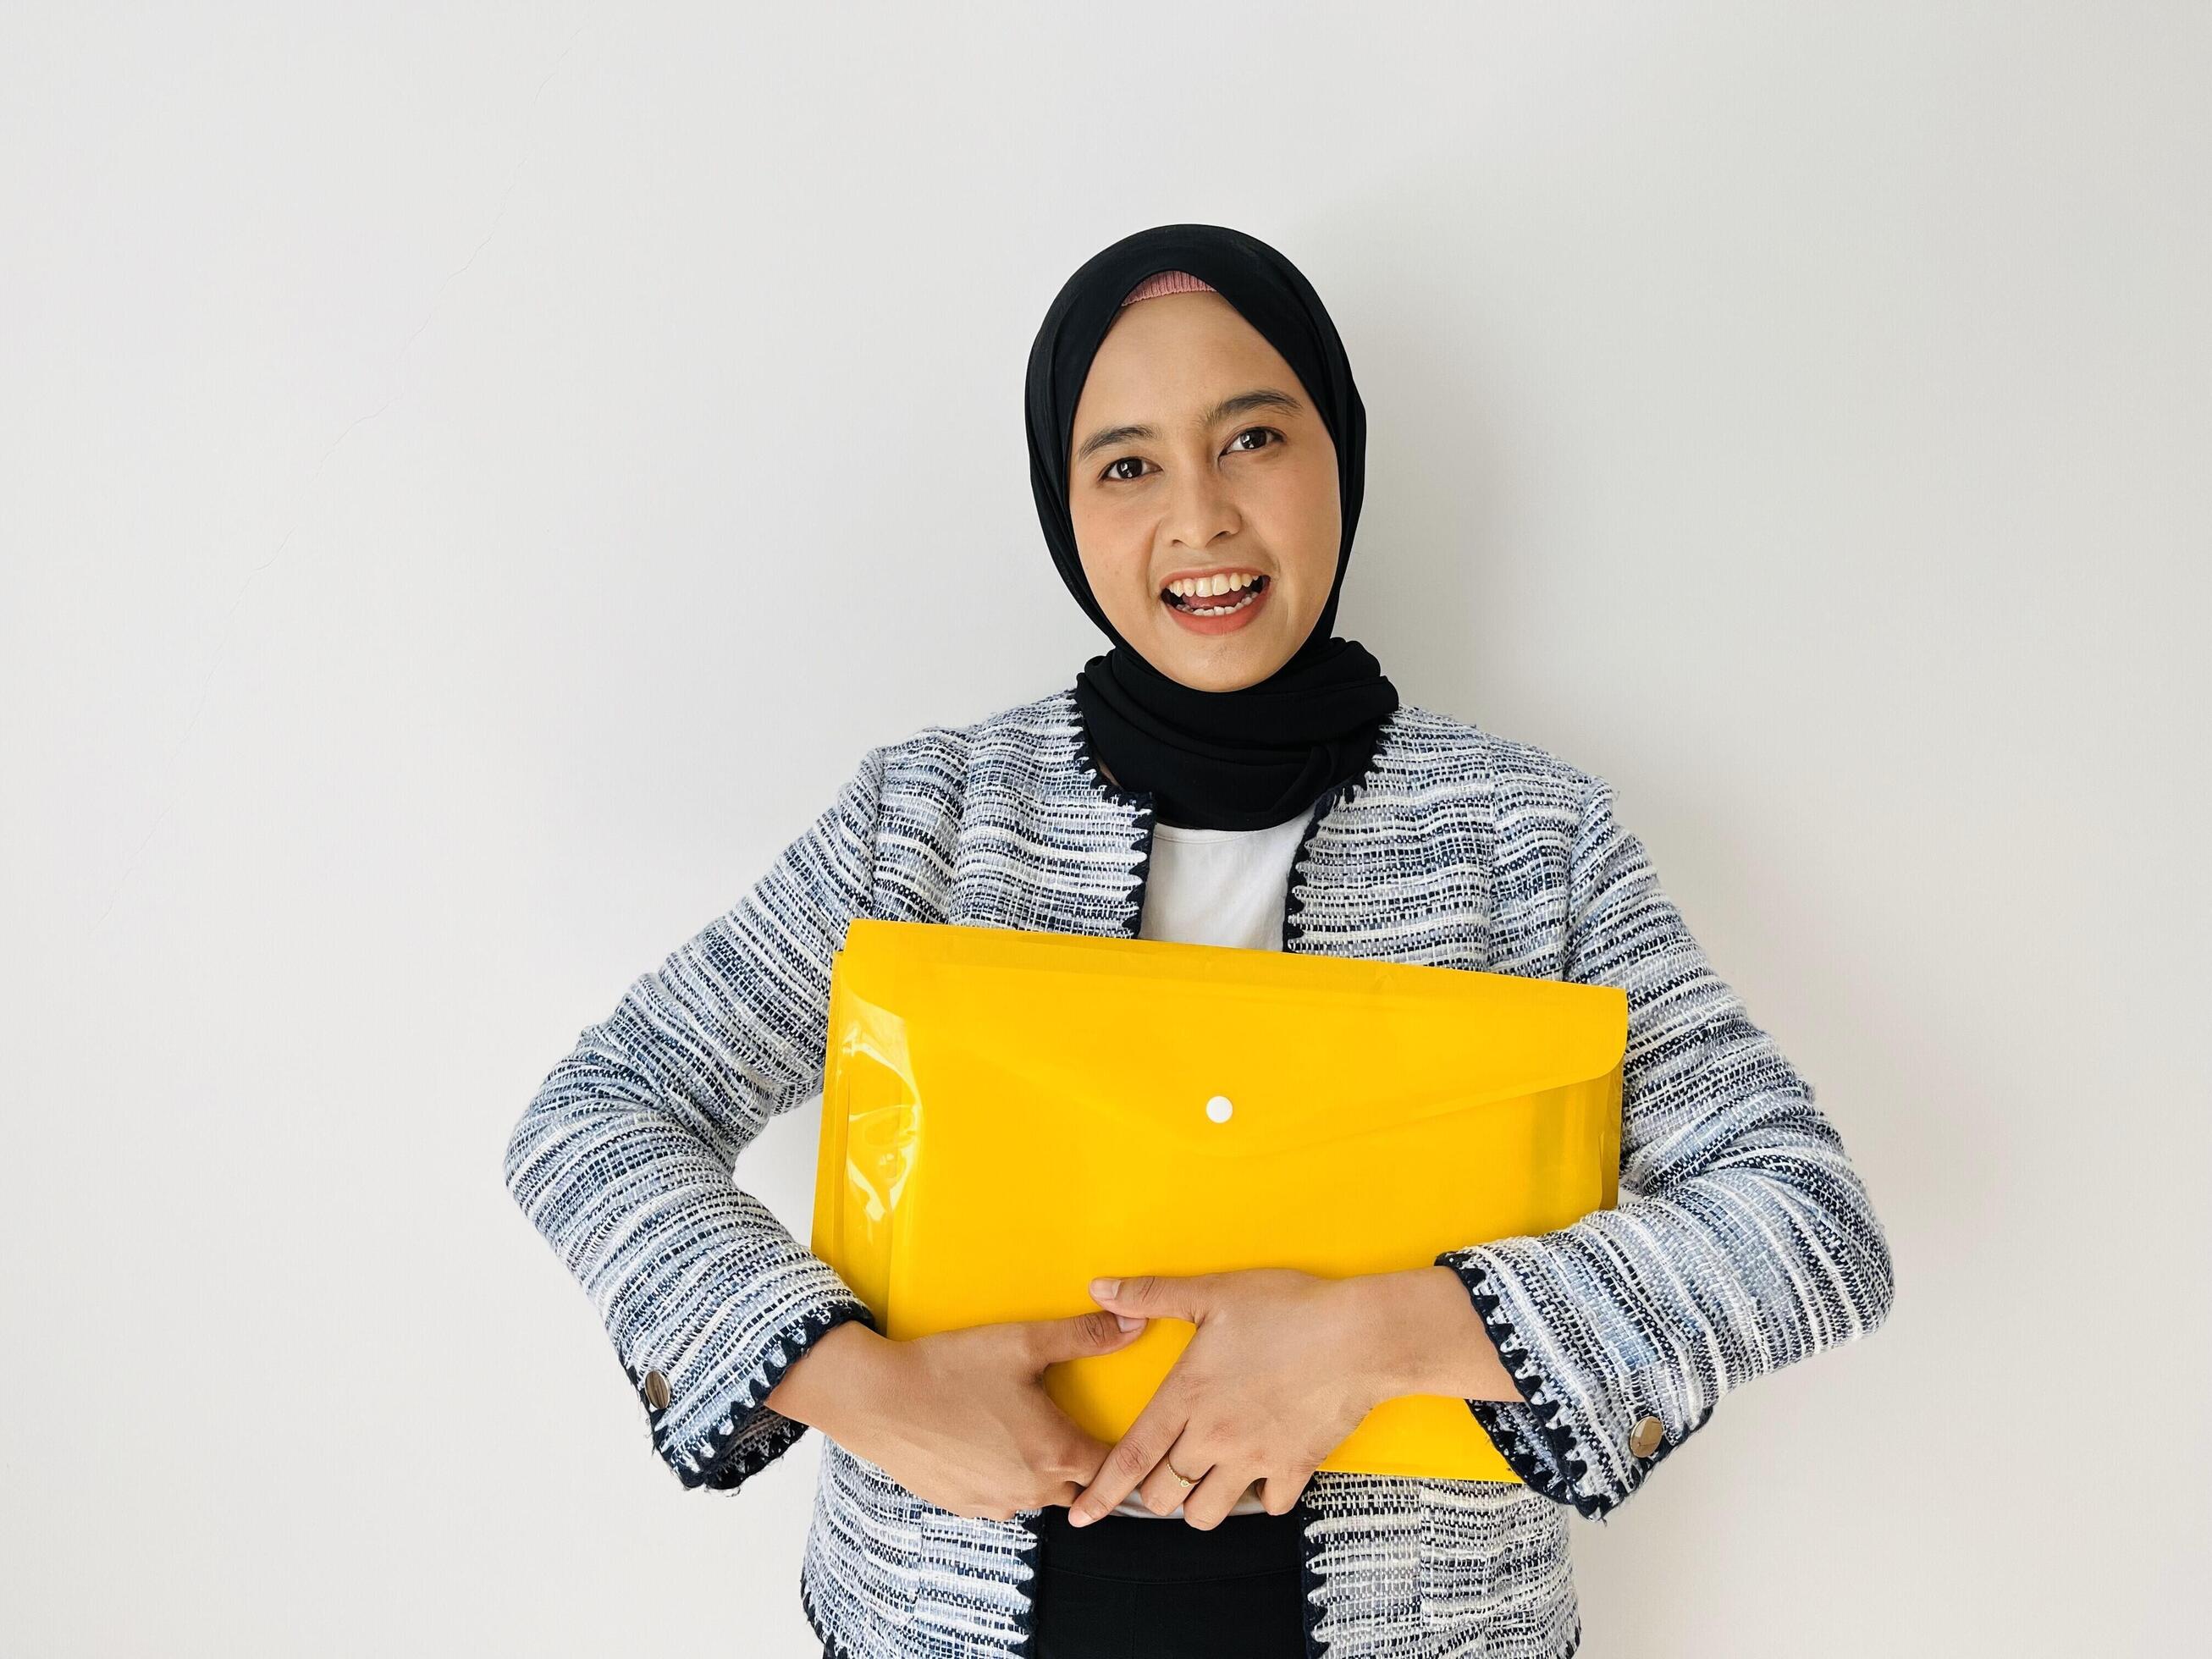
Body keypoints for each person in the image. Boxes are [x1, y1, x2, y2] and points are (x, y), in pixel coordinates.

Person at [502, 223, 1896, 1659]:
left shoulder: (1528, 839)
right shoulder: (924, 823)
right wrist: (855, 1386)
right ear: (1066, 507)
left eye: (1252, 438)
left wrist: (1373, 1338)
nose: (1201, 516)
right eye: (1126, 464)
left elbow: (1801, 1223)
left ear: (1336, 455)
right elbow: (599, 1118)